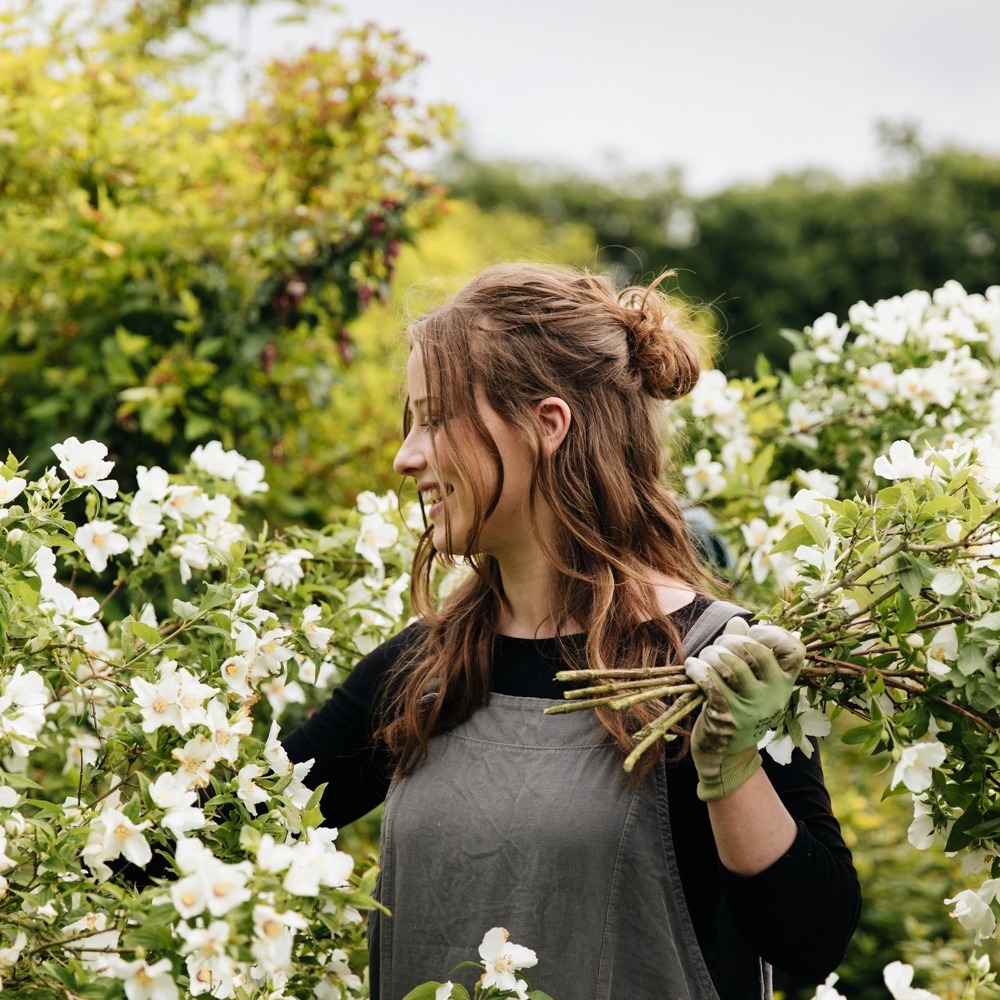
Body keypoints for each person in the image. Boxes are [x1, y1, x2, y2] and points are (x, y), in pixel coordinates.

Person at [283, 263, 861, 1000]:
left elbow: (813, 942)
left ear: (546, 425)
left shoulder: (718, 668)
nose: (406, 457)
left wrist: (731, 769)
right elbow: (234, 824)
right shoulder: (425, 667)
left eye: (434, 419)